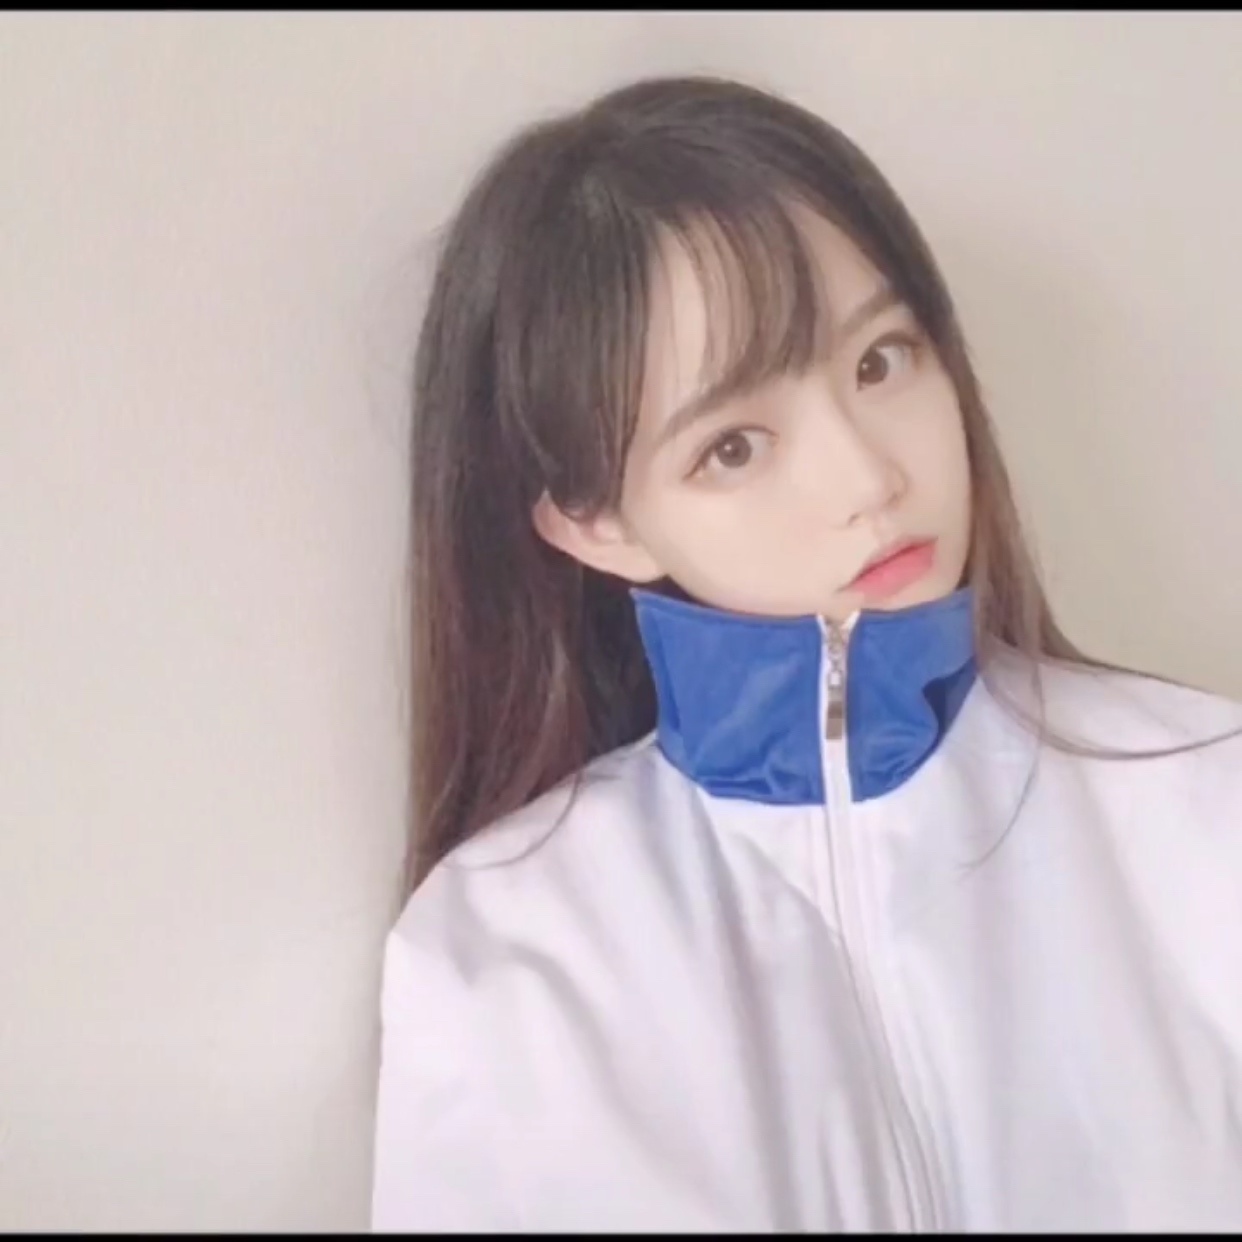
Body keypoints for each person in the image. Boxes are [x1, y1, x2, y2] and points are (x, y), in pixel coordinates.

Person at [369, 75, 1242, 1232]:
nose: (869, 478)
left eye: (880, 362)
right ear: (598, 525)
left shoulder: (1205, 801)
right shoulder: (506, 947)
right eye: (734, 446)